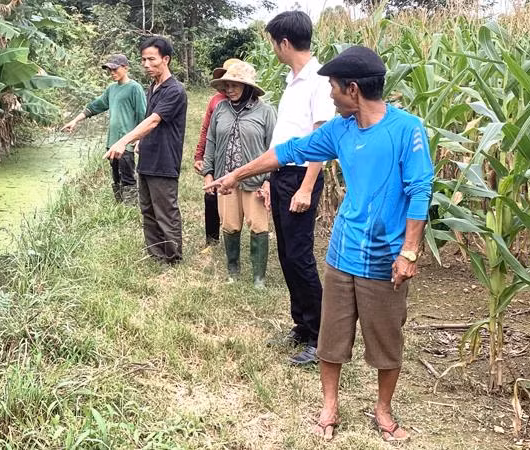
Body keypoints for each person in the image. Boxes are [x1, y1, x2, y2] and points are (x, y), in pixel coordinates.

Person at [204, 46, 434, 443]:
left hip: (385, 257)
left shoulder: (406, 129)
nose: (330, 94)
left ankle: (383, 410)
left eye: (333, 87)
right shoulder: (341, 129)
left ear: (353, 89)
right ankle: (330, 406)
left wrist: (409, 251)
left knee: (387, 340)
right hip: (342, 253)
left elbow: (419, 190)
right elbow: (288, 151)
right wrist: (237, 175)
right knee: (331, 337)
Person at [264, 11, 336, 366]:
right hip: (282, 175)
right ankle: (303, 325)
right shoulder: (291, 80)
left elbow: (321, 139)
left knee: (300, 256)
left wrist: (306, 187)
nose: (273, 49)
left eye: (273, 43)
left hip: (300, 177)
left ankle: (321, 337)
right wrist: (269, 178)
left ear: (284, 43)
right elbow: (286, 134)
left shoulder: (318, 81)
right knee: (286, 254)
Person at [104, 36, 188, 265]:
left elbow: (153, 121)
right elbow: (146, 120)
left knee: (165, 211)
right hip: (148, 157)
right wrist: (139, 141)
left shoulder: (174, 90)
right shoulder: (153, 87)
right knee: (148, 209)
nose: (146, 65)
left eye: (152, 59)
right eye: (143, 60)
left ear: (166, 59)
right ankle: (156, 254)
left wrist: (123, 141)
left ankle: (172, 258)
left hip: (165, 159)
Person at [202, 61, 276, 289]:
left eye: (235, 85)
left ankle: (258, 278)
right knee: (230, 224)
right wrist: (208, 172)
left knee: (258, 226)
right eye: (227, 85)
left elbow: (274, 148)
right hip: (226, 180)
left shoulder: (265, 112)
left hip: (255, 181)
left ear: (248, 87)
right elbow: (211, 141)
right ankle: (233, 270)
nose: (230, 89)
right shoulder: (221, 109)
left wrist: (268, 180)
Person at [62, 54, 147, 205]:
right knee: (116, 177)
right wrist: (74, 121)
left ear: (125, 68)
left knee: (128, 178)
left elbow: (143, 114)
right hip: (112, 143)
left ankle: (130, 208)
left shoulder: (135, 88)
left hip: (126, 143)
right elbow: (95, 106)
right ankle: (119, 206)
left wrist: (140, 139)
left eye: (115, 69)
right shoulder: (111, 89)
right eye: (110, 70)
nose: (112, 73)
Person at [193, 58, 242, 248]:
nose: (229, 87)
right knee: (211, 194)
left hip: (239, 159)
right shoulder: (216, 101)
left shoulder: (252, 103)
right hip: (217, 156)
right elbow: (207, 130)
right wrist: (199, 156)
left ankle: (233, 232)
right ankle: (212, 239)